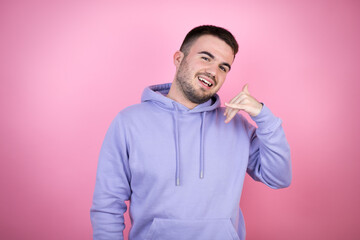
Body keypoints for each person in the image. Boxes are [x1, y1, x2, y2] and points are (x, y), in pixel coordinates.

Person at [90, 25, 292, 240]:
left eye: (223, 67)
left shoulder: (235, 124)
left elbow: (278, 177)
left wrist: (263, 115)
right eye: (206, 58)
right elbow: (108, 205)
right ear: (178, 59)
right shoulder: (129, 122)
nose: (213, 72)